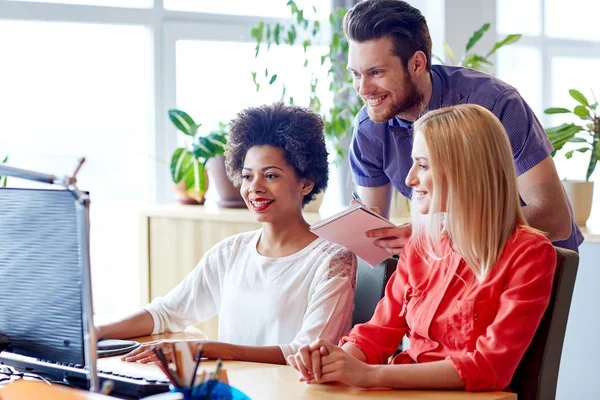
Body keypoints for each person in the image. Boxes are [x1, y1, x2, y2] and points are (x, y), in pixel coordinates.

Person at [288, 104, 557, 391]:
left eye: (424, 165)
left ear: (468, 172)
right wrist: (335, 362)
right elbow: (376, 335)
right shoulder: (420, 246)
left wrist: (370, 375)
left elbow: (490, 367)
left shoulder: (530, 253)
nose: (409, 179)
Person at [97, 102, 357, 365]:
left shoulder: (332, 262)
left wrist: (207, 348)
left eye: (270, 176)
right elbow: (166, 312)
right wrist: (96, 332)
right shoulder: (230, 253)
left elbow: (306, 352)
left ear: (306, 183)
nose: (254, 188)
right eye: (247, 176)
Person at [344, 0, 582, 253]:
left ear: (417, 64)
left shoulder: (494, 103)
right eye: (356, 74)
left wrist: (437, 233)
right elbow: (373, 238)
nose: (363, 88)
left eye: (376, 72)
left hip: (528, 259)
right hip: (447, 264)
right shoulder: (370, 128)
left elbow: (554, 218)